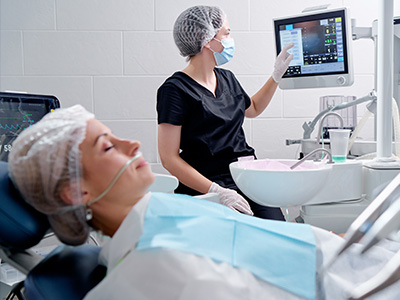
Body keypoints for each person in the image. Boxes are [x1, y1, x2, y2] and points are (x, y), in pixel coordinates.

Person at [8, 105, 400, 300]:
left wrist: (339, 239)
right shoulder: (148, 270)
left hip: (355, 261)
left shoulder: (155, 213)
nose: (133, 144)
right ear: (76, 193)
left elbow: (266, 244)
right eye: (108, 146)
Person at [157, 5, 293, 220]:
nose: (231, 39)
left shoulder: (227, 78)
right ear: (208, 40)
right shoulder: (174, 90)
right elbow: (168, 158)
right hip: (207, 184)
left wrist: (276, 76)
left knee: (278, 230)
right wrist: (216, 191)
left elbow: (253, 109)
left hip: (246, 178)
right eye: (227, 33)